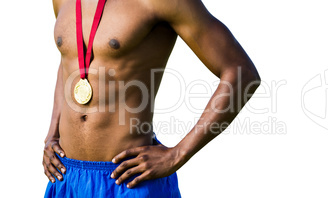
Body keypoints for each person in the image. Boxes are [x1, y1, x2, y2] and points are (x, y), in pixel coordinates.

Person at [43, 0, 260, 197]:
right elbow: (72, 61)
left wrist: (177, 155)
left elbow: (242, 73)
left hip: (129, 181)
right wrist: (52, 133)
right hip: (66, 178)